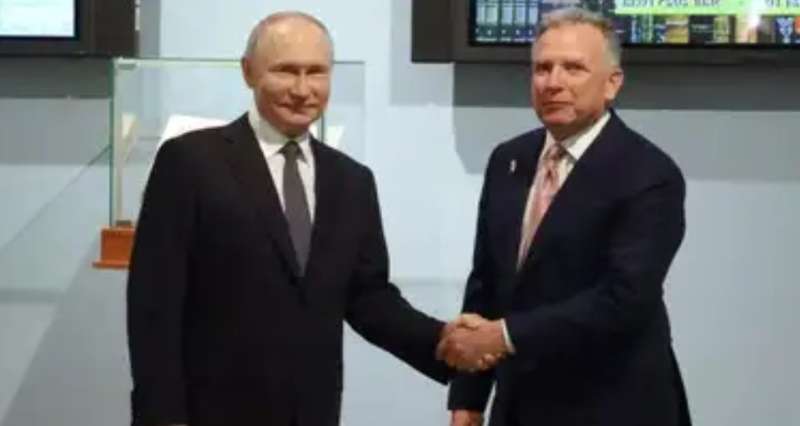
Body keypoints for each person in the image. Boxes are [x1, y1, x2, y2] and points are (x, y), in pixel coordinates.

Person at [127, 11, 465, 426]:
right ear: (249, 72)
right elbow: (154, 303)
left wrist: (444, 342)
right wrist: (160, 415)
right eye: (286, 71)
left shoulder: (351, 181)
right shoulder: (189, 162)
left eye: (316, 72)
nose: (303, 90)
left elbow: (368, 298)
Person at [438, 8, 692, 426]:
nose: (553, 82)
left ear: (612, 83)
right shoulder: (508, 160)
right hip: (521, 406)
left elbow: (624, 299)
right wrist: (468, 397)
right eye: (542, 68)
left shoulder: (649, 174)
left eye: (573, 68)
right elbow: (487, 282)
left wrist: (504, 337)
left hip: (614, 407)